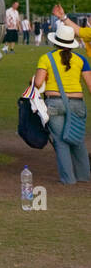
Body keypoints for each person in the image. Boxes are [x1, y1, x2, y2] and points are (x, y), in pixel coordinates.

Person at [33, 22, 89, 185]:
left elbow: (38, 83)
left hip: (55, 103)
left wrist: (31, 79)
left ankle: (68, 178)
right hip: (77, 103)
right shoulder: (81, 60)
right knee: (77, 139)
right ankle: (84, 176)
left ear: (55, 41)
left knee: (60, 141)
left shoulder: (46, 58)